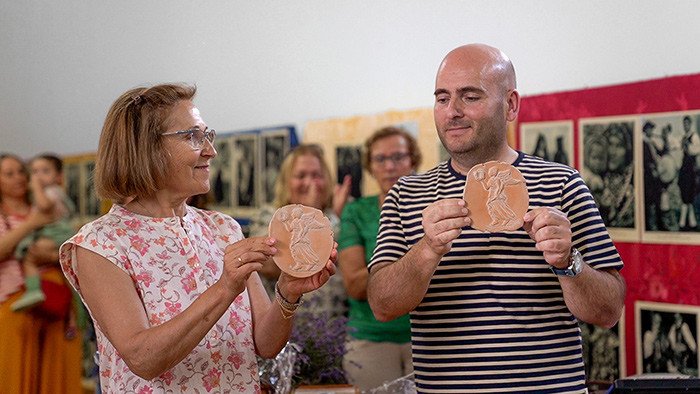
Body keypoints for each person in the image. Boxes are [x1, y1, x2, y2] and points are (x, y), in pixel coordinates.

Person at [366, 44, 626, 393]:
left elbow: (608, 311)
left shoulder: (563, 184)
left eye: (470, 97)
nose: (452, 112)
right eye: (442, 99)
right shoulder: (407, 194)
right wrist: (427, 250)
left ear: (511, 104)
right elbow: (382, 305)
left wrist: (568, 262)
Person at [58, 83, 336, 392]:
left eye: (207, 134)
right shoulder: (101, 243)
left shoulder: (223, 228)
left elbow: (265, 345)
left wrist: (287, 291)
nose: (211, 150)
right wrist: (224, 289)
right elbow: (143, 359)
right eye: (193, 136)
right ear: (145, 148)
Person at [337, 126, 420, 390]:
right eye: (380, 159)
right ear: (370, 166)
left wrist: (384, 271)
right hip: (369, 340)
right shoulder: (356, 212)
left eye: (398, 157)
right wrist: (422, 258)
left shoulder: (434, 208)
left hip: (429, 337)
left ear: (413, 160)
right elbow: (356, 285)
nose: (389, 166)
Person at [0, 153, 83, 394]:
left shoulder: (47, 205)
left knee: (56, 377)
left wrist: (49, 255)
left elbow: (70, 249)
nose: (19, 178)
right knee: (16, 378)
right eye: (9, 173)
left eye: (21, 171)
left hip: (55, 302)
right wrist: (31, 223)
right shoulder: (32, 214)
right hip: (13, 304)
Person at [249, 144, 351, 316]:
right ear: (286, 181)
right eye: (301, 175)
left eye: (316, 175)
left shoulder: (338, 215)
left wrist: (329, 216)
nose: (309, 182)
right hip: (284, 322)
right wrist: (309, 211)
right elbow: (268, 265)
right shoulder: (269, 216)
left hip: (333, 324)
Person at [11, 154, 76, 311]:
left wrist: (36, 187)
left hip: (57, 233)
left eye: (45, 171)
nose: (38, 176)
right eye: (34, 172)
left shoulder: (51, 192)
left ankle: (34, 291)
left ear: (58, 177)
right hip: (57, 234)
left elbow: (44, 206)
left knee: (29, 259)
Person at [599, 123, 635, 228]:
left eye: (619, 146)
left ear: (627, 149)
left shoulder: (635, 180)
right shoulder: (599, 179)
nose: (612, 152)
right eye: (610, 144)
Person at [678, 116, 700, 230]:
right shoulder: (683, 137)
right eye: (684, 124)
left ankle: (684, 223)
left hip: (691, 168)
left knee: (688, 195)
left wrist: (688, 146)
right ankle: (691, 223)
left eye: (687, 124)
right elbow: (679, 150)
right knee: (685, 194)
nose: (685, 126)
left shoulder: (694, 136)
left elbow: (697, 150)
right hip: (684, 168)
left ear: (690, 124)